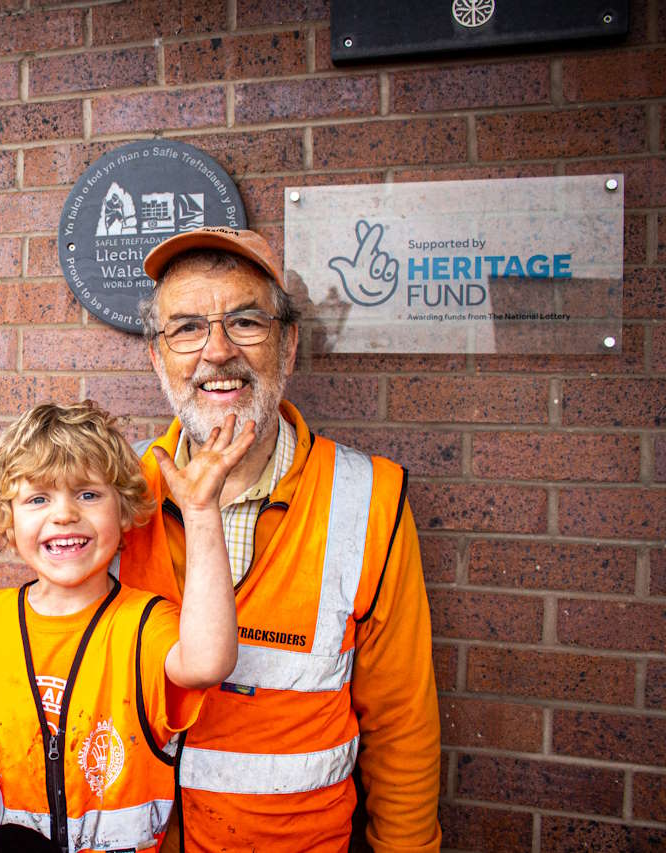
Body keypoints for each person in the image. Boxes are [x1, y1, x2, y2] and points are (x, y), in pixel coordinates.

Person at [119, 226, 442, 852]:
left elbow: (402, 724)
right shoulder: (115, 492)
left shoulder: (366, 498)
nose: (216, 351)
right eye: (186, 328)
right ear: (158, 359)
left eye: (245, 322)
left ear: (288, 346)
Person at [0, 401, 254, 853]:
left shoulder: (145, 622)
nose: (64, 514)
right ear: (9, 522)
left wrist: (201, 512)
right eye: (37, 499)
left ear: (125, 510)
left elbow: (209, 662)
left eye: (88, 494)